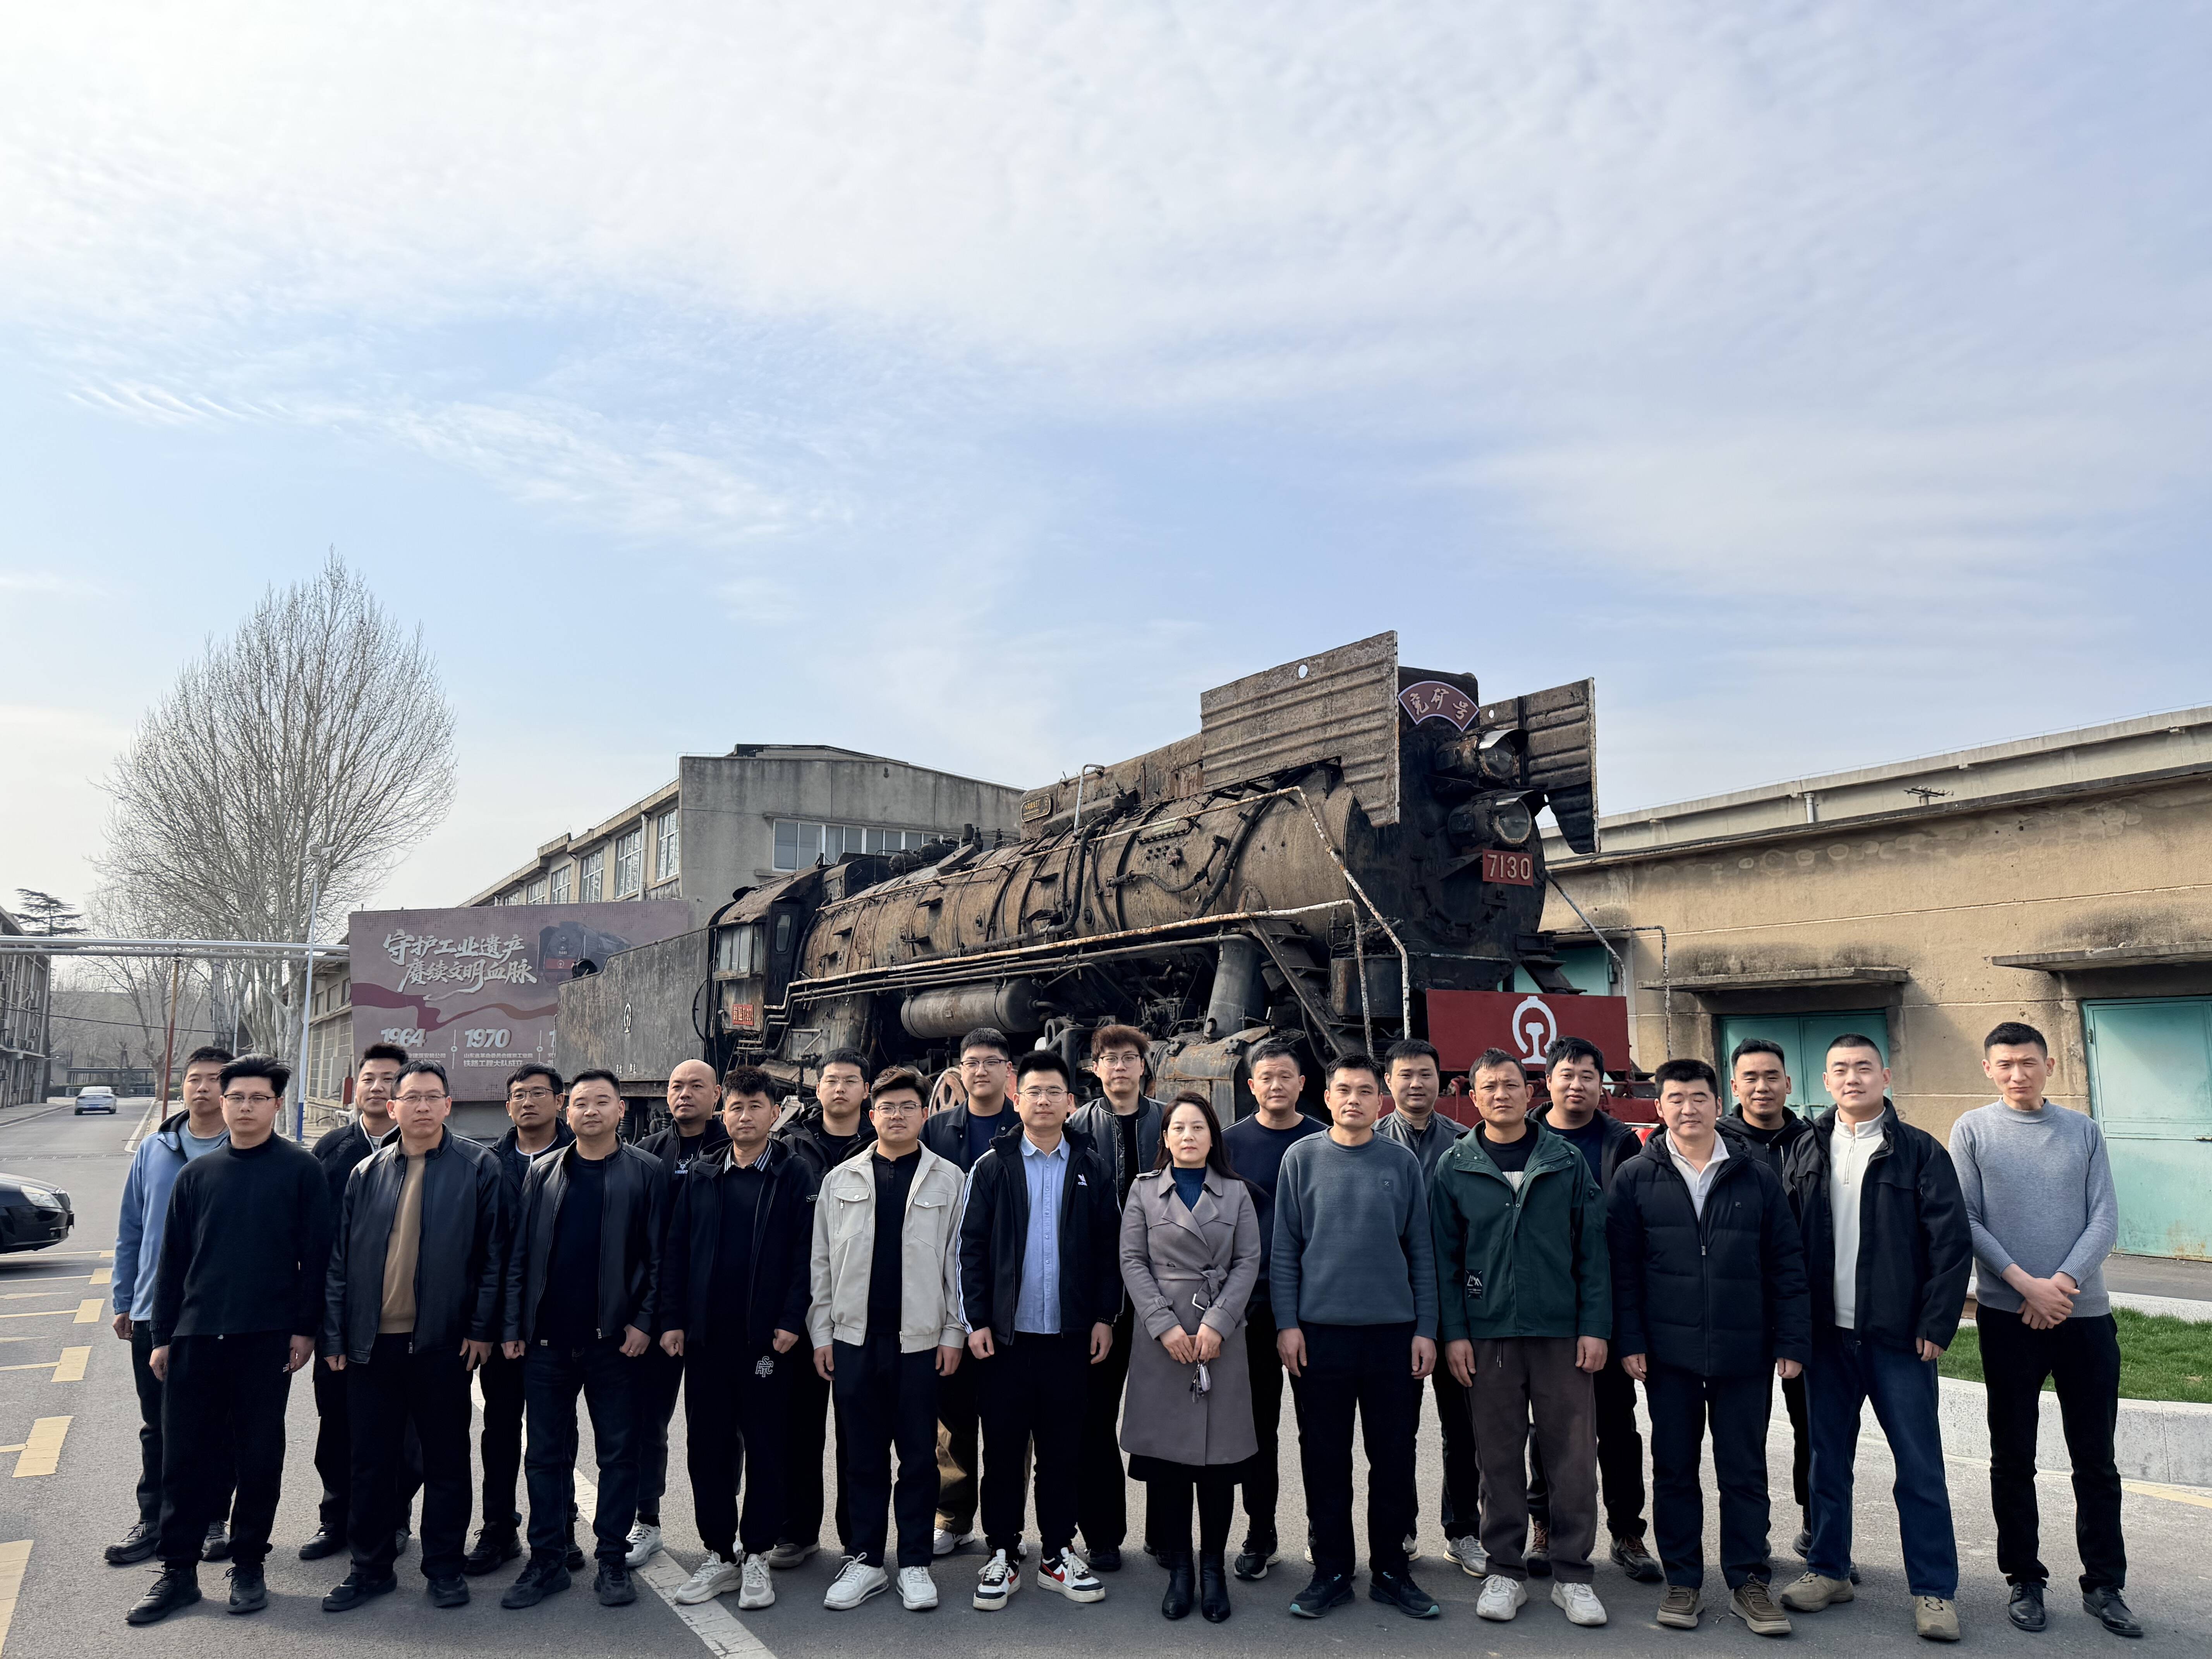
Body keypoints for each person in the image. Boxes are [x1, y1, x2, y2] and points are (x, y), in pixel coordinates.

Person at [1778, 1034, 1973, 1644]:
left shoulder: (1919, 1151)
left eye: (1864, 1067)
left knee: (1919, 1467)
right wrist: (1792, 1331)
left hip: (1899, 1341)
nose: (1852, 1077)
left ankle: (1934, 1591)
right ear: (1826, 1081)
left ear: (1885, 1077)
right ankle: (1828, 1569)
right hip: (1827, 1339)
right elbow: (1786, 1244)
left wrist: (1936, 1324)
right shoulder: (1805, 1147)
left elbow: (1951, 1243)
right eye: (1840, 1068)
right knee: (1826, 1462)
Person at [127, 1056, 333, 1625]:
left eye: (257, 1098)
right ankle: (178, 1572)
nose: (245, 1107)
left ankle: (248, 1565)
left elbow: (317, 1257)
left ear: (276, 1105)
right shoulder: (198, 1175)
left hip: (265, 1338)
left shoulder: (300, 1170)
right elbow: (172, 1262)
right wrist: (163, 1335)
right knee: (185, 1457)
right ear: (223, 1102)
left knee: (259, 1456)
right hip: (196, 1335)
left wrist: (304, 1328)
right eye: (236, 1096)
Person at [1949, 1022, 2138, 1639]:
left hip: (2084, 1317)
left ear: (2049, 1066)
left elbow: (2104, 1217)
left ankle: (2105, 1584)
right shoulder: (1972, 1130)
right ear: (1988, 1069)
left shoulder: (2082, 1131)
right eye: (2005, 1064)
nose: (2017, 1074)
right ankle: (2024, 1578)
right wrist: (2025, 1286)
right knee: (2013, 1457)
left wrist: (2060, 1284)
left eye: (2028, 1062)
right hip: (2009, 1319)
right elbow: (1966, 1219)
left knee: (2096, 1460)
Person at [1608, 1057, 1808, 1637]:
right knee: (1674, 1469)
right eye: (1676, 1098)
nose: (1688, 1108)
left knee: (1744, 1470)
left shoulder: (1755, 1176)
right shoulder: (1635, 1176)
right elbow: (1622, 1270)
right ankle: (1684, 1581)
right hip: (1667, 1353)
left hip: (1745, 1351)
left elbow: (1786, 1263)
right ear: (1659, 1107)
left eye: (1699, 1097)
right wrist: (1631, 1339)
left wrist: (1792, 1339)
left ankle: (1749, 1581)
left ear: (1719, 1104)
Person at [318, 1060, 507, 1613]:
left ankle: (444, 1569)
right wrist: (336, 1334)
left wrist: (481, 1328)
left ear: (448, 1105)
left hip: (443, 1343)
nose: (422, 1107)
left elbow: (494, 1256)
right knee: (371, 1462)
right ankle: (370, 1568)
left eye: (432, 1097)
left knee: (447, 1461)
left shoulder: (479, 1166)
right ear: (392, 1106)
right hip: (372, 1344)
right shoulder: (366, 1173)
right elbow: (340, 1260)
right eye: (412, 1098)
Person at [1432, 1047, 1611, 1630]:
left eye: (1511, 1085)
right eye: (1489, 1087)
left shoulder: (1564, 1160)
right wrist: (1455, 1335)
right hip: (1489, 1337)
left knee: (1573, 1460)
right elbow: (1445, 1260)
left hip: (1561, 1333)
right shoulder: (1455, 1166)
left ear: (1529, 1092)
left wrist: (1595, 1328)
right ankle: (1505, 1570)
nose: (1501, 1095)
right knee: (1498, 1459)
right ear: (1473, 1097)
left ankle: (1573, 1575)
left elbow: (1593, 1251)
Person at [1273, 1052, 1440, 1621]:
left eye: (1365, 1091)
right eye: (1343, 1090)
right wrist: (1288, 1324)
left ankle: (1392, 1571)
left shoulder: (1400, 1161)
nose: (1353, 1100)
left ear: (1380, 1099)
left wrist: (1425, 1329)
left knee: (1393, 1457)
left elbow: (1421, 1251)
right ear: (1326, 1098)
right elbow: (1285, 1250)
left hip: (1393, 1336)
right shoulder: (1301, 1158)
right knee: (1324, 1459)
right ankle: (1332, 1571)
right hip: (1320, 1336)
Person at [498, 1069, 668, 1612]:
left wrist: (643, 1322)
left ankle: (613, 1560)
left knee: (619, 1455)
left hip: (615, 1345)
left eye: (602, 1102)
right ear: (566, 1112)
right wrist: (513, 1326)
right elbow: (520, 1256)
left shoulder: (646, 1172)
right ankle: (547, 1560)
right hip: (546, 1344)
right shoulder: (543, 1171)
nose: (590, 1111)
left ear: (621, 1110)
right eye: (580, 1103)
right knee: (545, 1457)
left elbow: (660, 1258)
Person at [957, 1049, 1118, 1611]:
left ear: (1070, 1102)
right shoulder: (992, 1166)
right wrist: (977, 1321)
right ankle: (1002, 1552)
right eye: (1034, 1092)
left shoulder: (1092, 1166)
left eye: (1054, 1092)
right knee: (1003, 1450)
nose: (1044, 1101)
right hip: (1005, 1341)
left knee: (1062, 1451)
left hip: (1069, 1339)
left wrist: (1104, 1317)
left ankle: (1056, 1553)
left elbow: (1109, 1250)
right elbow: (969, 1250)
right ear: (1016, 1098)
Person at [808, 1066, 967, 1613]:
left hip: (921, 1342)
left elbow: (957, 1263)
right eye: (888, 1108)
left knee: (920, 1457)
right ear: (872, 1115)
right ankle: (867, 1560)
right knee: (863, 1456)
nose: (897, 1116)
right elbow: (822, 1263)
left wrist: (953, 1333)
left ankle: (915, 1562)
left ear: (924, 1114)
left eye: (908, 1107)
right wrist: (822, 1333)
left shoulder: (949, 1179)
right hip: (855, 1339)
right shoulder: (842, 1179)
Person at [658, 1065, 814, 1613]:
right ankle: (720, 1553)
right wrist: (672, 1319)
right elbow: (676, 1251)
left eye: (756, 1107)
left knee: (767, 1448)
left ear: (775, 1114)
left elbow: (806, 1254)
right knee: (708, 1449)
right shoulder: (702, 1173)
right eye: (737, 1107)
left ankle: (757, 1555)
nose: (745, 1117)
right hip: (707, 1340)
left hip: (768, 1342)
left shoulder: (793, 1174)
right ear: (724, 1114)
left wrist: (792, 1319)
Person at [1120, 1092, 1261, 1623]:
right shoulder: (1143, 1191)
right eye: (1178, 1128)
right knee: (1171, 1467)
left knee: (1218, 1466)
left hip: (1219, 1340)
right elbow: (1132, 1260)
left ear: (1212, 1137)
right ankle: (1179, 1570)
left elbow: (1248, 1261)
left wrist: (1217, 1323)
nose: (1188, 1136)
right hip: (1164, 1343)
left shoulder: (1236, 1192)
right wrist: (1164, 1325)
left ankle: (1213, 1571)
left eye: (1198, 1127)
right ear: (1166, 1138)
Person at [1528, 1035, 1657, 1585]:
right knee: (1547, 1427)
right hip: (1543, 1308)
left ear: (1601, 1085)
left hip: (1604, 1307)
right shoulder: (1524, 1139)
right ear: (1548, 1082)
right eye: (1567, 1074)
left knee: (1617, 1427)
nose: (1577, 1085)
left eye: (1588, 1076)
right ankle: (1545, 1527)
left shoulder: (1622, 1144)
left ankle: (1628, 1533)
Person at [106, 1044, 232, 1570]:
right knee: (157, 1424)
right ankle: (153, 1520)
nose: (202, 1088)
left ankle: (213, 1521)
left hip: (220, 1314)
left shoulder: (243, 1148)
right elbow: (131, 1227)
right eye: (194, 1078)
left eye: (214, 1079)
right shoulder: (155, 1148)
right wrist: (124, 1298)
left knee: (215, 1423)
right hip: (152, 1311)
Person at [302, 1043, 420, 1566]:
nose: (377, 1087)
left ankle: (394, 1518)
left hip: (398, 1317)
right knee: (336, 1422)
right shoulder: (331, 1150)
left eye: (389, 1079)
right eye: (369, 1078)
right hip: (340, 1314)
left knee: (400, 1428)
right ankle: (337, 1518)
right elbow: (311, 1239)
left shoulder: (422, 1149)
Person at [1219, 1038, 1323, 1581]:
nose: (1277, 1085)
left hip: (1315, 1307)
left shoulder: (1325, 1140)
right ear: (1252, 1085)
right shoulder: (1230, 1145)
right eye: (1267, 1077)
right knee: (1257, 1429)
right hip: (1252, 1307)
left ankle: (1323, 1532)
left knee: (1319, 1430)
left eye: (1287, 1076)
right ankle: (1261, 1532)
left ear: (1302, 1084)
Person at [467, 1064, 575, 1576]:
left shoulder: (582, 1155)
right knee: (501, 1429)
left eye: (538, 1093)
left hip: (560, 1320)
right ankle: (498, 1529)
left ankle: (561, 1528)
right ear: (508, 1106)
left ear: (560, 1101)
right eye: (518, 1095)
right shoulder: (488, 1163)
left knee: (558, 1432)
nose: (527, 1102)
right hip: (501, 1323)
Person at [624, 1057, 731, 1571]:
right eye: (676, 1086)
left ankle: (728, 1532)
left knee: (720, 1430)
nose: (684, 1094)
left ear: (717, 1095)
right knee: (649, 1422)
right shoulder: (648, 1153)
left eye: (695, 1086)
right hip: (660, 1311)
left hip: (717, 1314)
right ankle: (646, 1520)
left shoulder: (736, 1149)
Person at [768, 1048, 873, 1570]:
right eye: (831, 1080)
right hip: (802, 1304)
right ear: (818, 1087)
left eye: (850, 1081)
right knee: (798, 1429)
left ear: (866, 1090)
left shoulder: (881, 1143)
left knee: (859, 1434)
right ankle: (797, 1532)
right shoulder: (789, 1145)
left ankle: (858, 1539)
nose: (839, 1089)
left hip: (862, 1308)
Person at [1376, 1038, 1476, 1575]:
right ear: (1388, 1082)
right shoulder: (1369, 1143)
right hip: (1394, 1309)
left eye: (1426, 1075)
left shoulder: (1465, 1144)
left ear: (1442, 1081)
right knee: (1398, 1429)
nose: (1416, 1084)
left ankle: (1463, 1530)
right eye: (1406, 1075)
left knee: (1464, 1428)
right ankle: (1401, 1527)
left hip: (1455, 1307)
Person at [1067, 1023, 1164, 1569]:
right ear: (1095, 1068)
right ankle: (1102, 1534)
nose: (1121, 1066)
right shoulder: (1075, 1128)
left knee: (1162, 1416)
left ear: (1144, 1066)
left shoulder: (1169, 1121)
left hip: (1165, 1293)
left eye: (1130, 1057)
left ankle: (1166, 1532)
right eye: (1111, 1058)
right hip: (1098, 1296)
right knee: (1094, 1417)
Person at [919, 1025, 1018, 1556]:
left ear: (1009, 1071)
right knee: (952, 1414)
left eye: (991, 1062)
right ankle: (952, 1518)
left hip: (1008, 1288)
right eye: (972, 1062)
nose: (981, 1071)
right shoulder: (936, 1129)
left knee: (1009, 1420)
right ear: (960, 1070)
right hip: (947, 1283)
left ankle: (1008, 1526)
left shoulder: (1024, 1127)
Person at [1727, 1037, 1819, 1561]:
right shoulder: (1718, 1143)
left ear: (1788, 1083)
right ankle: (1751, 1534)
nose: (1762, 1087)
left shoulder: (1816, 1141)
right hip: (1739, 1313)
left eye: (1771, 1077)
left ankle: (1817, 1528)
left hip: (1803, 1309)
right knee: (1746, 1434)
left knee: (1814, 1430)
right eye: (1751, 1078)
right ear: (1734, 1086)